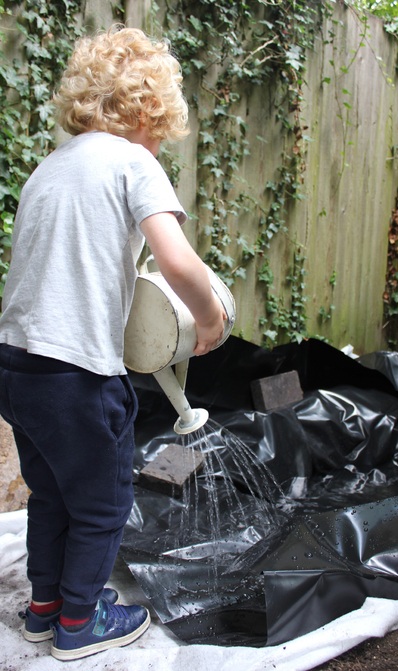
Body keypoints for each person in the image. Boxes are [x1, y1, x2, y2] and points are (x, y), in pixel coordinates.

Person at [0, 25, 225, 661]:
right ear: (150, 112)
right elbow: (178, 265)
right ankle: (80, 622)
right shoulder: (134, 162)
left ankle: (44, 609)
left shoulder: (47, 169)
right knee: (102, 502)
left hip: (16, 367)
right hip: (77, 374)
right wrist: (206, 319)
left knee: (52, 494)